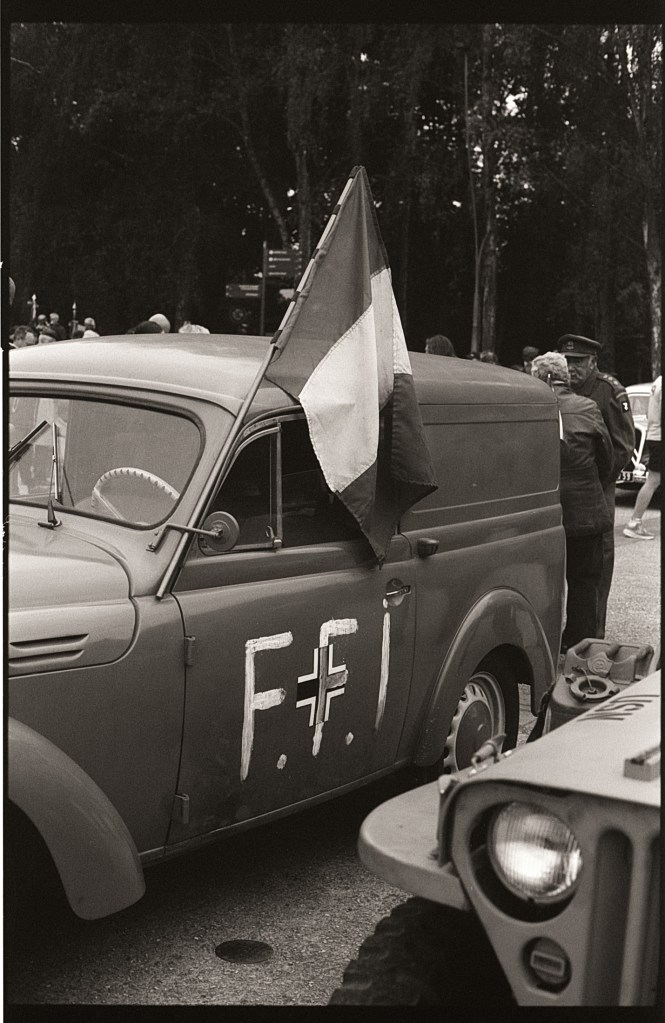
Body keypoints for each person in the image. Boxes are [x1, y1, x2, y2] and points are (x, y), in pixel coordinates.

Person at [531, 352, 613, 649]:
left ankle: (544, 644)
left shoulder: (531, 407)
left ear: (540, 377)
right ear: (564, 376)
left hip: (542, 512)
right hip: (586, 511)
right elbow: (607, 458)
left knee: (541, 583)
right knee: (584, 584)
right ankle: (581, 646)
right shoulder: (588, 407)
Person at [558, 333, 635, 637]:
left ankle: (593, 634)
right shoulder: (558, 392)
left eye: (578, 362)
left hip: (596, 490)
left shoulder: (607, 391)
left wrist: (597, 477)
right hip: (563, 491)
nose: (572, 368)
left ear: (593, 362)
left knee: (595, 566)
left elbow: (622, 445)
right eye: (568, 361)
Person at [623, 374, 661, 540]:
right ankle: (634, 523)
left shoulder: (658, 381)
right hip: (660, 437)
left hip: (655, 435)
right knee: (653, 480)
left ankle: (635, 522)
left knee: (653, 480)